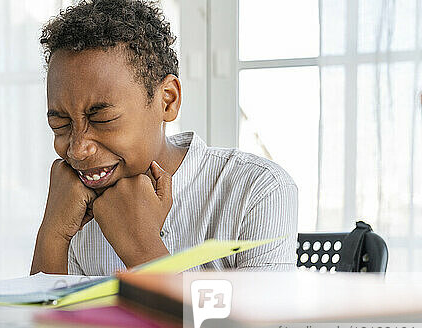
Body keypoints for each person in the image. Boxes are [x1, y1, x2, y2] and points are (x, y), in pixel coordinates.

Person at [30, 0, 298, 275]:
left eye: (103, 119)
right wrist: (54, 233)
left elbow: (258, 319)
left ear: (167, 101)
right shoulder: (73, 204)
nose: (78, 149)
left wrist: (143, 248)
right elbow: (39, 318)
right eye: (60, 124)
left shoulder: (258, 189)